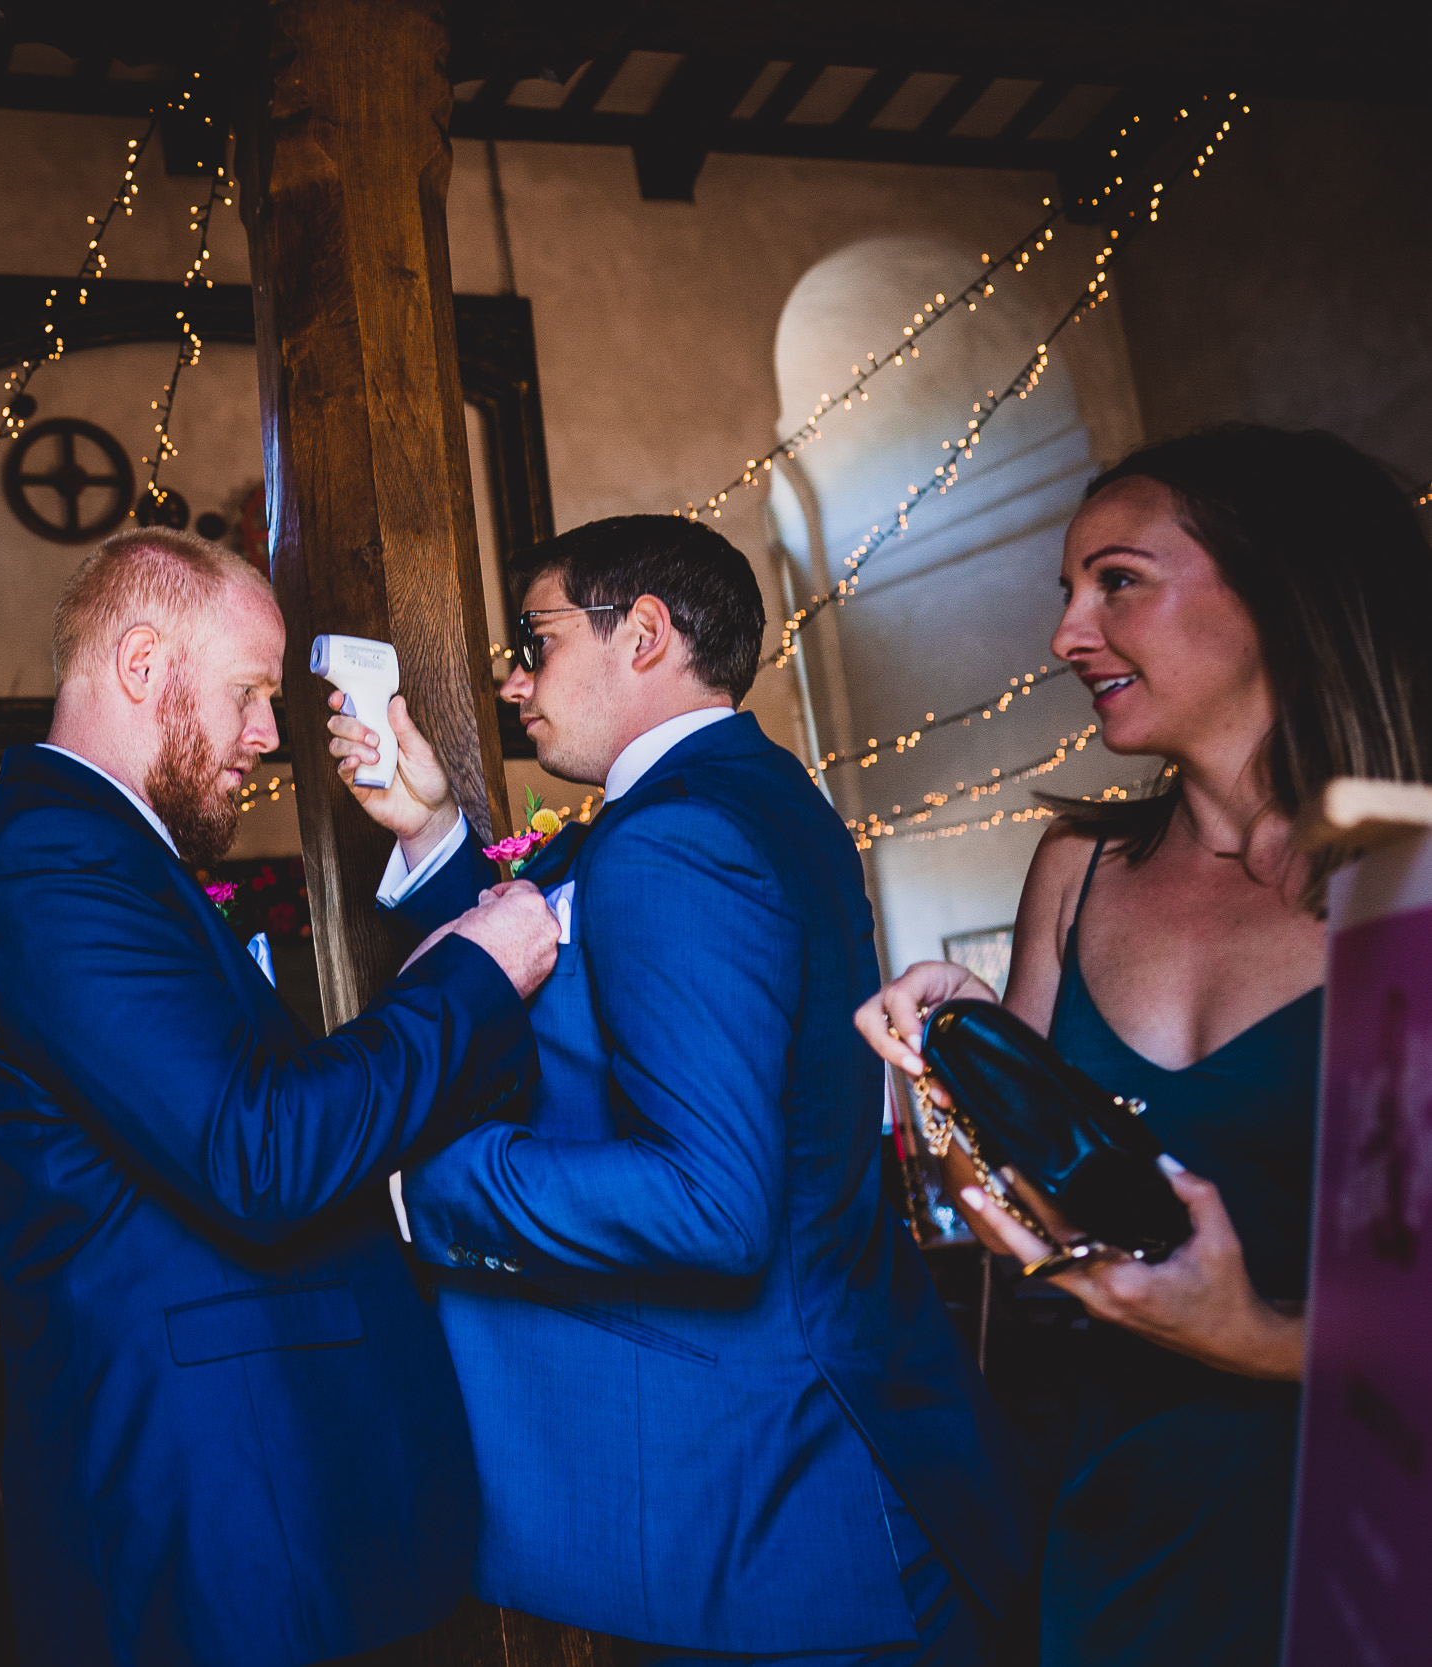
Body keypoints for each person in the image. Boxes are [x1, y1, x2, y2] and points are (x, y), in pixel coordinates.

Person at [330, 515, 1030, 1663]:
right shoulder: (736, 798)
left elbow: (708, 1200)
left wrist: (421, 1188)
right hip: (799, 1460)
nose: (514, 677)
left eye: (537, 639)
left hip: (771, 1496)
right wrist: (434, 832)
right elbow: (555, 979)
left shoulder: (675, 836)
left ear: (643, 632)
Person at [0, 527, 558, 1667]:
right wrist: (480, 970)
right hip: (224, 1521)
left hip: (272, 1506)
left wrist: (432, 841)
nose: (269, 735)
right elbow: (256, 1150)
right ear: (140, 663)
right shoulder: (54, 861)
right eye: (249, 693)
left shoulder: (109, 856)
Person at [857, 426, 1432, 1665]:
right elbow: (1015, 1204)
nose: (1068, 635)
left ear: (1281, 585)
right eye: (1068, 592)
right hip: (1116, 1525)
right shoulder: (1077, 870)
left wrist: (1264, 1336)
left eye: (1116, 580)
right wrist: (949, 1047)